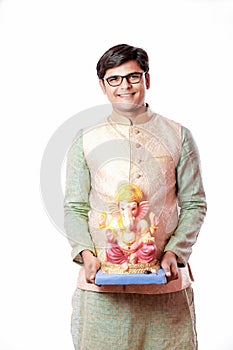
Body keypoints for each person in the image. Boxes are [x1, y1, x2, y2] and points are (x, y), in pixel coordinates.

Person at [64, 43, 207, 350]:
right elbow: (75, 206)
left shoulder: (178, 135)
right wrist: (86, 254)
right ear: (102, 86)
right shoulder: (86, 139)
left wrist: (175, 253)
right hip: (101, 289)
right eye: (114, 79)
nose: (125, 86)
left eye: (133, 77)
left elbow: (194, 204)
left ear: (147, 80)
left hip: (165, 289)